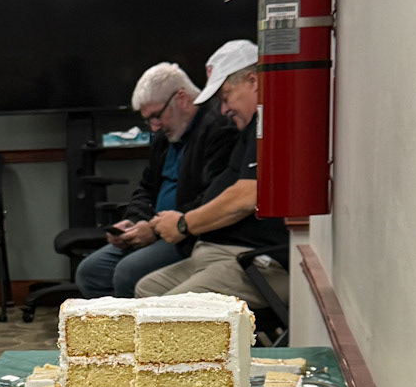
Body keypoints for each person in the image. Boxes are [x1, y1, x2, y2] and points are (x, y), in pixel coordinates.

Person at [134, 40, 290, 311]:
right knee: (147, 289)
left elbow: (246, 197)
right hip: (216, 253)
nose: (223, 109)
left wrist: (183, 224)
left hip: (253, 261)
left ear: (253, 81)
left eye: (225, 97)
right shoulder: (250, 128)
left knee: (166, 312)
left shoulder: (271, 121)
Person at [75, 63, 238, 297]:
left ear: (182, 98)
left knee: (127, 272)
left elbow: (213, 197)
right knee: (90, 272)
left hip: (190, 235)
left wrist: (154, 229)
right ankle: (117, 322)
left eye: (157, 116)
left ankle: (140, 321)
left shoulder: (220, 130)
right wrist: (132, 221)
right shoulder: (164, 136)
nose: (154, 127)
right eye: (149, 120)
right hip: (156, 230)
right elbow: (146, 187)